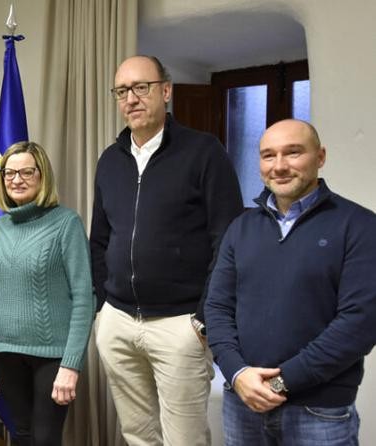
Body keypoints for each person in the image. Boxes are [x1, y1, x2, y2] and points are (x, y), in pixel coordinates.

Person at [90, 55, 243, 445]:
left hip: (180, 324)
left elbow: (228, 238)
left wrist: (205, 317)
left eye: (141, 87)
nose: (132, 98)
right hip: (119, 322)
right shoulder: (110, 161)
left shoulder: (204, 152)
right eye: (122, 91)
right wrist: (102, 306)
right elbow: (100, 240)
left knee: (184, 439)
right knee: (137, 433)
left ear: (166, 91)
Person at [205, 119, 376, 445]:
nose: (279, 166)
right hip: (242, 404)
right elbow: (217, 308)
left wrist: (281, 383)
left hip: (319, 412)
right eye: (268, 155)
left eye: (293, 152)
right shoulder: (240, 228)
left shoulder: (360, 226)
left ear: (320, 157)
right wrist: (238, 374)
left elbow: (360, 323)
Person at [0, 141, 95, 446]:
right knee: (21, 435)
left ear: (43, 176)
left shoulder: (66, 223)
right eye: (9, 173)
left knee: (44, 439)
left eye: (26, 172)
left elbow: (84, 299)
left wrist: (71, 365)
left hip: (51, 356)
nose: (17, 180)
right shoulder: (0, 228)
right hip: (4, 353)